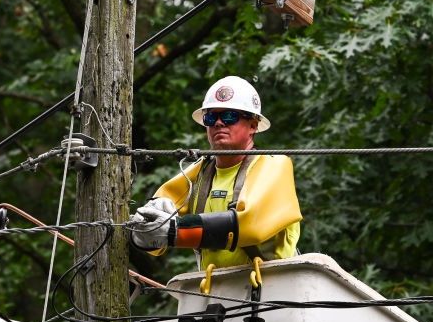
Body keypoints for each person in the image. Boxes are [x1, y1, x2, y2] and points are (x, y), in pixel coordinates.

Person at [127, 76, 302, 270]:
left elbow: (250, 225)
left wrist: (175, 231)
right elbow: (151, 239)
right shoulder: (198, 173)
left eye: (229, 116)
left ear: (253, 125)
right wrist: (143, 230)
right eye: (211, 117)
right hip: (216, 292)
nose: (218, 123)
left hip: (273, 289)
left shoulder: (274, 167)